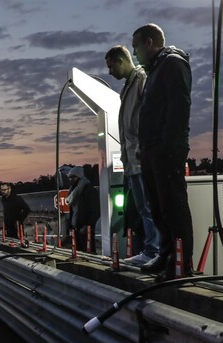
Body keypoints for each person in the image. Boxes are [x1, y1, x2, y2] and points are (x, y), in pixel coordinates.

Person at [132, 23, 194, 281]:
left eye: (136, 47)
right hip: (151, 151)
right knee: (158, 207)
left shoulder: (172, 63)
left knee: (173, 206)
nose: (134, 53)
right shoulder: (155, 69)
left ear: (149, 42)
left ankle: (180, 262)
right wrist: (144, 148)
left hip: (164, 150)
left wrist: (167, 147)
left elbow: (179, 107)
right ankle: (166, 253)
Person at [105, 44, 160, 267]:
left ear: (120, 60)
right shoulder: (129, 85)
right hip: (133, 156)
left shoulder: (141, 79)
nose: (109, 72)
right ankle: (151, 249)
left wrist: (141, 145)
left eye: (110, 66)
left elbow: (148, 113)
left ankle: (154, 250)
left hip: (140, 153)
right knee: (143, 207)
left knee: (149, 206)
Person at [65, 166, 100, 253]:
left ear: (79, 177)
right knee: (79, 254)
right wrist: (70, 226)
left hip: (85, 230)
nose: (71, 180)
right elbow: (73, 211)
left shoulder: (90, 191)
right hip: (76, 229)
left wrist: (88, 226)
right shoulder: (74, 193)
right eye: (70, 177)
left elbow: (95, 212)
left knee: (89, 253)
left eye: (73, 177)